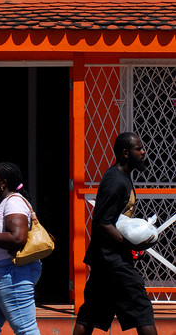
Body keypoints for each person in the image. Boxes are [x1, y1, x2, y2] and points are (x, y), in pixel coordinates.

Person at [73, 132, 158, 335]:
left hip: (106, 261)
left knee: (90, 314)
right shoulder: (115, 181)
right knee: (142, 311)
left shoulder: (122, 178)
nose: (143, 152)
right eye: (139, 148)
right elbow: (103, 222)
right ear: (125, 153)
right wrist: (131, 244)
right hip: (113, 261)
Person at [0, 162, 42, 335]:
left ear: (4, 183)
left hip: (10, 272)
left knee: (25, 328)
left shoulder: (14, 202)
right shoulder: (2, 203)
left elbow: (17, 238)